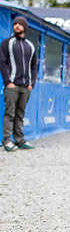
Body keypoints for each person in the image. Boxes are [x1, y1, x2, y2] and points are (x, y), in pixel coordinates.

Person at [1, 16, 37, 151]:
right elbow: (2, 63)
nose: (16, 26)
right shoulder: (7, 43)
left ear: (25, 27)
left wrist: (31, 84)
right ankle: (7, 141)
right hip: (12, 86)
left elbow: (34, 65)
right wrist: (8, 82)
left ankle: (20, 140)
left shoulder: (31, 46)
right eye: (15, 24)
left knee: (20, 114)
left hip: (25, 87)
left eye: (19, 24)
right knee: (10, 113)